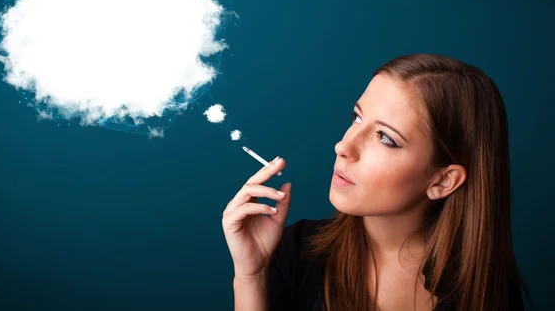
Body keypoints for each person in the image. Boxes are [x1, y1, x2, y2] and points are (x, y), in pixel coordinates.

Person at [222, 53, 533, 311]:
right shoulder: (295, 254)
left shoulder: (487, 295)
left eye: (385, 137)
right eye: (357, 118)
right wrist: (251, 276)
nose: (343, 147)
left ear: (443, 181)